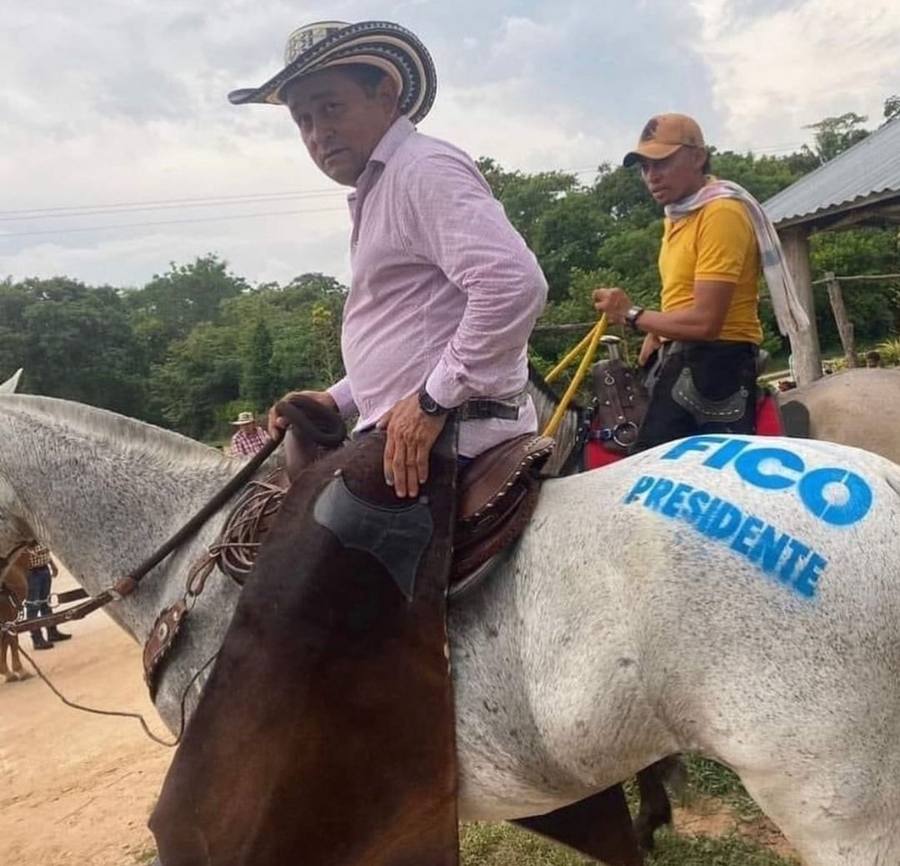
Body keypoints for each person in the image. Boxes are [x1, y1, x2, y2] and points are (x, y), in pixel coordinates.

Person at [229, 21, 547, 498]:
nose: (319, 133)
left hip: (453, 434)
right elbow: (413, 335)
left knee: (296, 562)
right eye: (304, 120)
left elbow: (513, 285)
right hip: (425, 428)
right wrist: (338, 398)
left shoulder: (422, 169)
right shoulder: (382, 185)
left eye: (331, 107)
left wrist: (431, 403)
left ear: (386, 95)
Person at [593, 113, 804, 452]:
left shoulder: (720, 213)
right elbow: (681, 295)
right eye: (644, 167)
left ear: (698, 156)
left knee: (652, 465)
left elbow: (706, 322)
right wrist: (656, 331)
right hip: (681, 350)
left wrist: (630, 313)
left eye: (661, 162)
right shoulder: (678, 215)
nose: (651, 176)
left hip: (719, 356)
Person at [24, 541, 70, 650]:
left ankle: (52, 632)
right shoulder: (24, 538)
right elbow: (25, 553)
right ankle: (37, 638)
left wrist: (52, 564)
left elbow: (46, 551)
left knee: (46, 603)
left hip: (44, 568)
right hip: (31, 572)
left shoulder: (38, 533)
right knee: (33, 606)